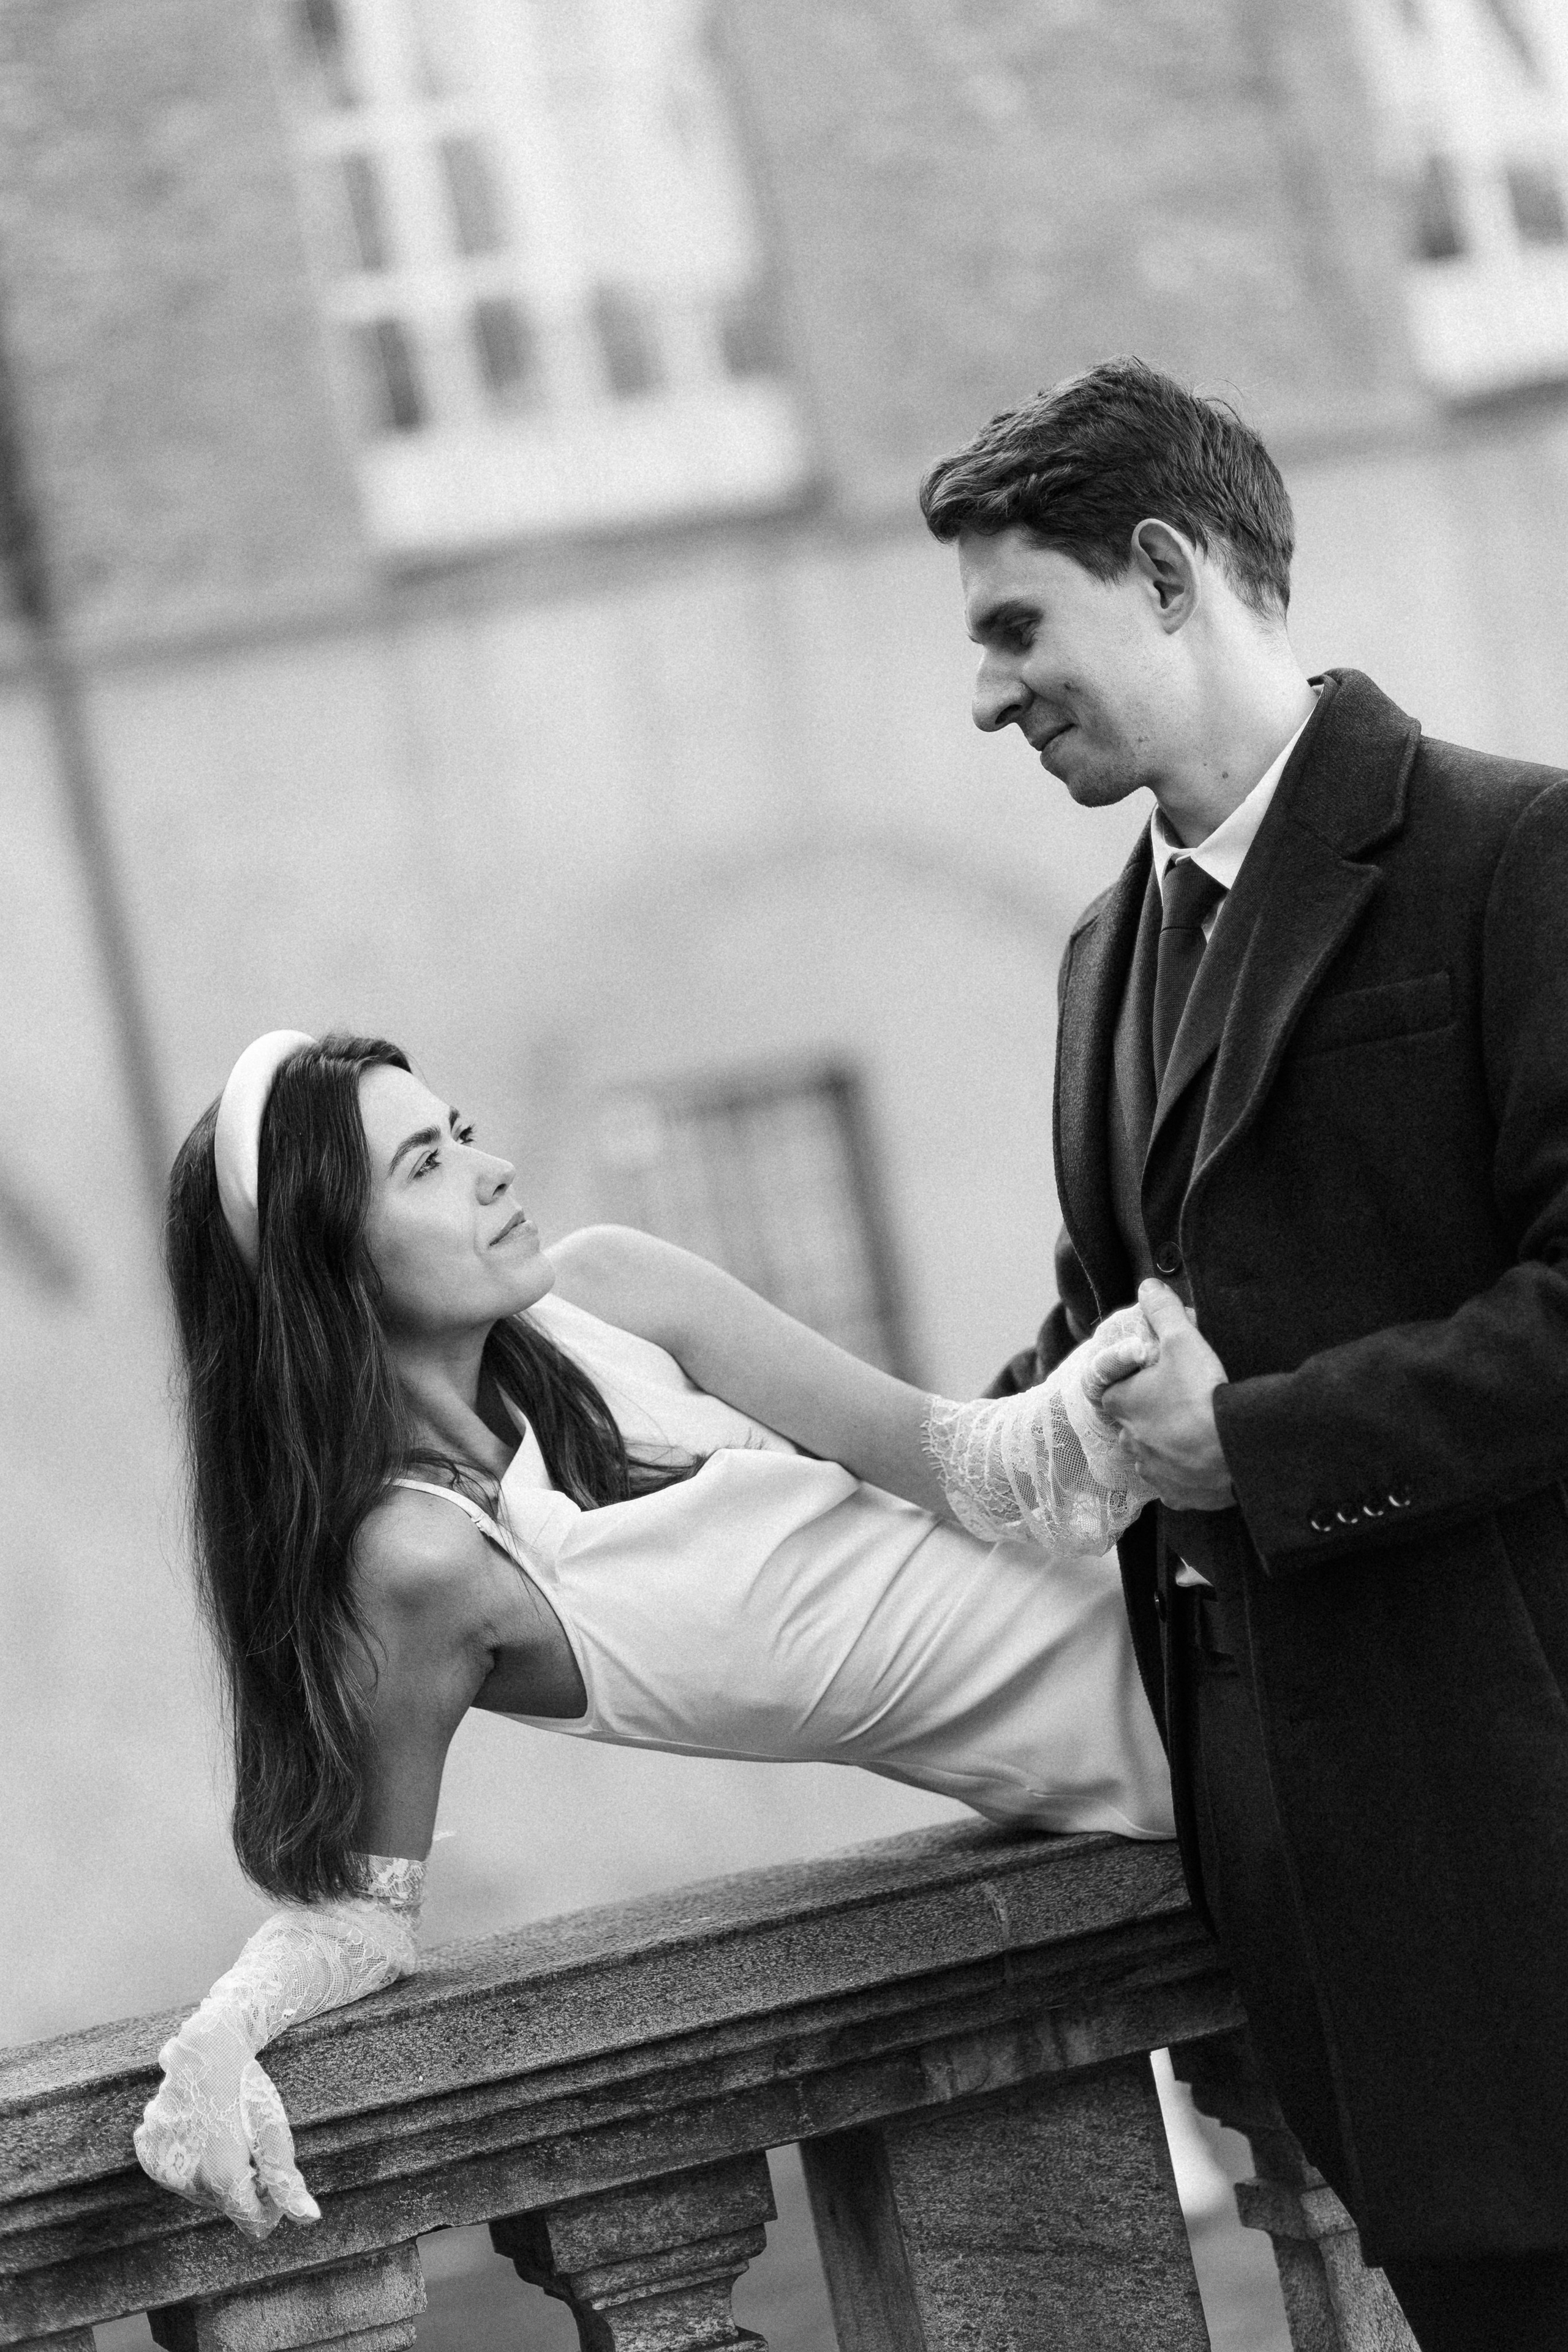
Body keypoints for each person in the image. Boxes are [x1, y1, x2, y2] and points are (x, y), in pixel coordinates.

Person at [919, 355, 1568, 2352]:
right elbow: (1092, 1341)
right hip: (1320, 1923)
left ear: (1174, 569)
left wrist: (1263, 1443)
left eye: (1018, 627)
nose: (986, 693)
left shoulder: (1512, 855)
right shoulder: (1097, 966)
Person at [134, 1028, 1174, 2239]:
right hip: (1180, 1765)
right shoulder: (423, 1567)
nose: (495, 1169)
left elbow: (977, 1468)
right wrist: (222, 2034)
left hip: (1215, 1627)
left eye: (462, 1135)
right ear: (327, 1264)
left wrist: (1118, 1378)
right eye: (425, 1165)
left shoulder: (614, 1292)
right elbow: (361, 1910)